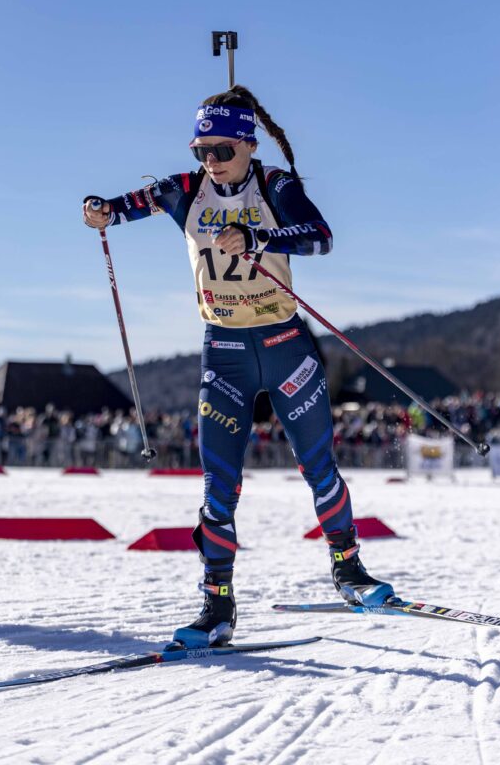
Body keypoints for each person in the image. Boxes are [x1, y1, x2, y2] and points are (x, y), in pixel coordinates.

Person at [83, 84, 393, 648]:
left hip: (284, 345)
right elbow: (126, 206)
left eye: (222, 150)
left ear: (248, 145)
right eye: (202, 150)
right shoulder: (185, 190)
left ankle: (348, 569)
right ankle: (216, 605)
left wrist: (258, 235)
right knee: (217, 484)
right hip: (224, 351)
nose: (211, 161)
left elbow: (321, 238)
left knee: (317, 464)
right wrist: (101, 211)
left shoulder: (276, 185)